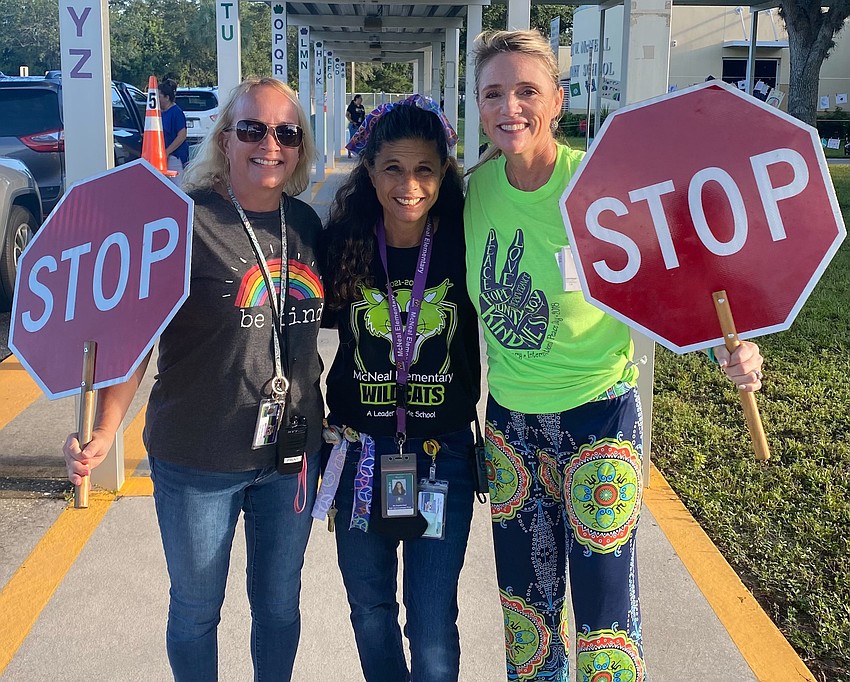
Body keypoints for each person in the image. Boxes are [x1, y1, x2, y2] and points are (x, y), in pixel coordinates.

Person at [464, 30, 765, 681]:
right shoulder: (473, 192)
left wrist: (733, 349)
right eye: (493, 93)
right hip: (510, 426)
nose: (509, 107)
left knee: (606, 617)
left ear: (558, 100)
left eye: (526, 91)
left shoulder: (602, 183)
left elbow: (681, 273)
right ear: (478, 106)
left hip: (599, 418)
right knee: (527, 614)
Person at [63, 77, 324, 682]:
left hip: (290, 457)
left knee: (279, 608)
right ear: (225, 139)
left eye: (287, 134)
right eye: (252, 129)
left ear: (300, 148)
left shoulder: (308, 225)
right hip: (198, 456)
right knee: (197, 609)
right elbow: (135, 338)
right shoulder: (182, 221)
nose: (270, 145)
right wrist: (105, 430)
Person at [319, 96, 481, 682]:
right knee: (370, 611)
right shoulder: (344, 244)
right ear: (369, 171)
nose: (408, 185)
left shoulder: (467, 241)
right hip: (359, 454)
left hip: (442, 458)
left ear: (444, 173)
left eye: (423, 170)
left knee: (432, 620)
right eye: (392, 168)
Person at [158, 78, 190, 183]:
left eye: (159, 96)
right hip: (163, 156)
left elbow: (182, 136)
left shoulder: (176, 112)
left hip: (175, 156)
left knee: (177, 185)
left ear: (167, 97)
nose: (157, 99)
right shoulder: (161, 113)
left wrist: (167, 152)